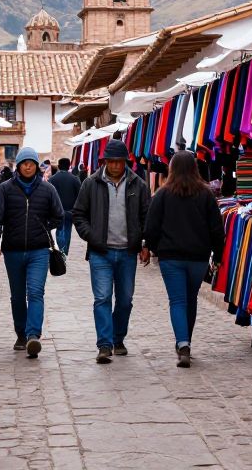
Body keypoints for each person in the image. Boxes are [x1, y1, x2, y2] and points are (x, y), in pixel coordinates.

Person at [72, 139, 151, 364]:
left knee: (125, 299)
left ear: (125, 162)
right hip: (100, 252)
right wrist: (92, 236)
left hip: (127, 252)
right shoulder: (91, 183)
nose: (115, 165)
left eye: (119, 161)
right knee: (102, 298)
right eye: (111, 161)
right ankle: (104, 345)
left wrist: (145, 244)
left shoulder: (138, 185)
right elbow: (78, 214)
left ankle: (118, 338)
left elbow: (147, 217)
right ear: (105, 161)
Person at [144, 150, 225, 368]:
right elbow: (217, 229)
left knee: (178, 300)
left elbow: (151, 226)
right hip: (198, 257)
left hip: (171, 256)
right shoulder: (206, 194)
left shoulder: (162, 194)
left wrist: (151, 247)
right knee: (191, 299)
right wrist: (218, 255)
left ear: (171, 168)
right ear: (194, 168)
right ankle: (185, 341)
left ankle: (183, 343)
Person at [0, 147, 64, 358]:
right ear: (18, 166)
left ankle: (33, 335)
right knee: (18, 296)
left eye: (31, 163)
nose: (28, 167)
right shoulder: (5, 189)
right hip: (13, 250)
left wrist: (44, 226)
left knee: (36, 292)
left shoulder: (48, 189)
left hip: (39, 250)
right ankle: (21, 333)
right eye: (24, 163)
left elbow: (59, 215)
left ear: (36, 166)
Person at [49, 157, 81, 255]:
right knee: (67, 232)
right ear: (69, 166)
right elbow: (79, 197)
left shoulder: (52, 179)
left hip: (55, 212)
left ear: (59, 166)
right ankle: (64, 252)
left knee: (57, 233)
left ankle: (57, 252)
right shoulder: (75, 179)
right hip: (69, 212)